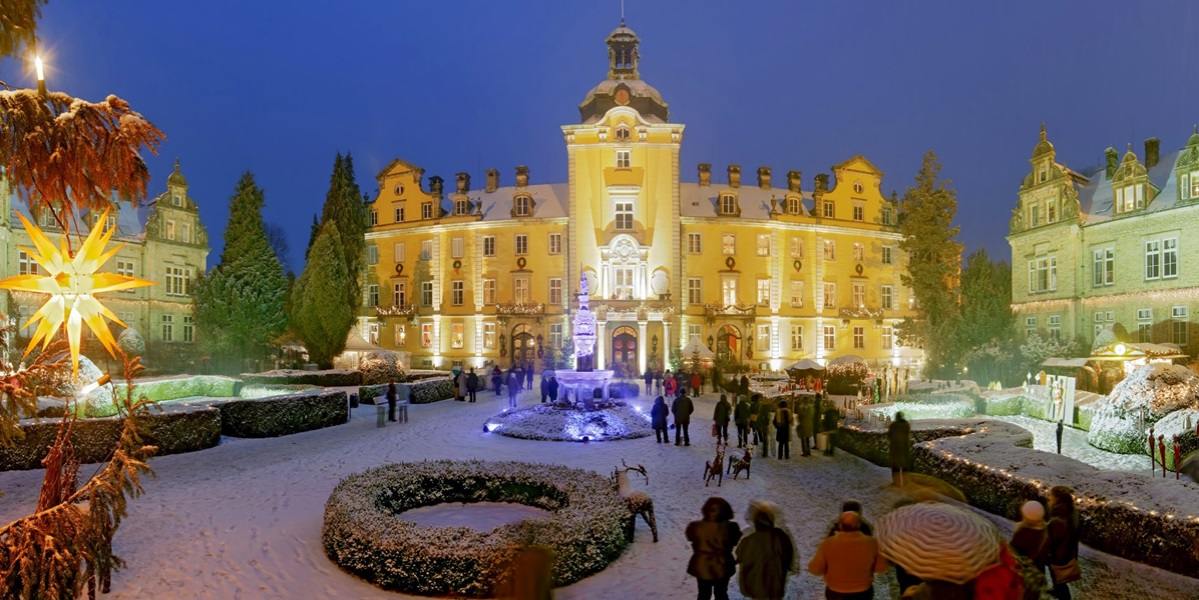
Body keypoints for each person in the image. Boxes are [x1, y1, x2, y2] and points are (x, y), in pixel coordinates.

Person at [808, 511, 887, 600]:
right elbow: (881, 569)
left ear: (840, 526)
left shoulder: (828, 543)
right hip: (862, 592)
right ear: (858, 525)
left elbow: (815, 570)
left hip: (835, 593)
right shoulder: (872, 543)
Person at [736, 500, 795, 600]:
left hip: (755, 585)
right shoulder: (780, 536)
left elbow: (740, 557)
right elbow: (788, 556)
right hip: (775, 583)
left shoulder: (749, 540)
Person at [685, 497, 742, 600]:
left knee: (707, 594)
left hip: (707, 566)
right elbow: (734, 541)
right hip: (720, 566)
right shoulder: (731, 528)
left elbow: (690, 537)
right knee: (716, 594)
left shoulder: (696, 527)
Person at [1046, 486, 1081, 599]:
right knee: (1058, 578)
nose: (1049, 498)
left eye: (1051, 496)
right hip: (1067, 551)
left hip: (1059, 554)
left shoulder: (1059, 517)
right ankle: (1058, 591)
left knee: (1059, 578)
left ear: (1057, 498)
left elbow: (1053, 539)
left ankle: (1064, 597)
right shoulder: (1070, 510)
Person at [1010, 500, 1049, 573]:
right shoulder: (1044, 529)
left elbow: (1012, 553)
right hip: (1038, 572)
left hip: (1025, 573)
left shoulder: (1023, 533)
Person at [887, 411, 912, 486]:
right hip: (904, 448)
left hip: (896, 449)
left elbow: (889, 435)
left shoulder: (893, 425)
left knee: (895, 468)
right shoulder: (906, 425)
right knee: (904, 467)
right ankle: (905, 482)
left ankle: (896, 483)